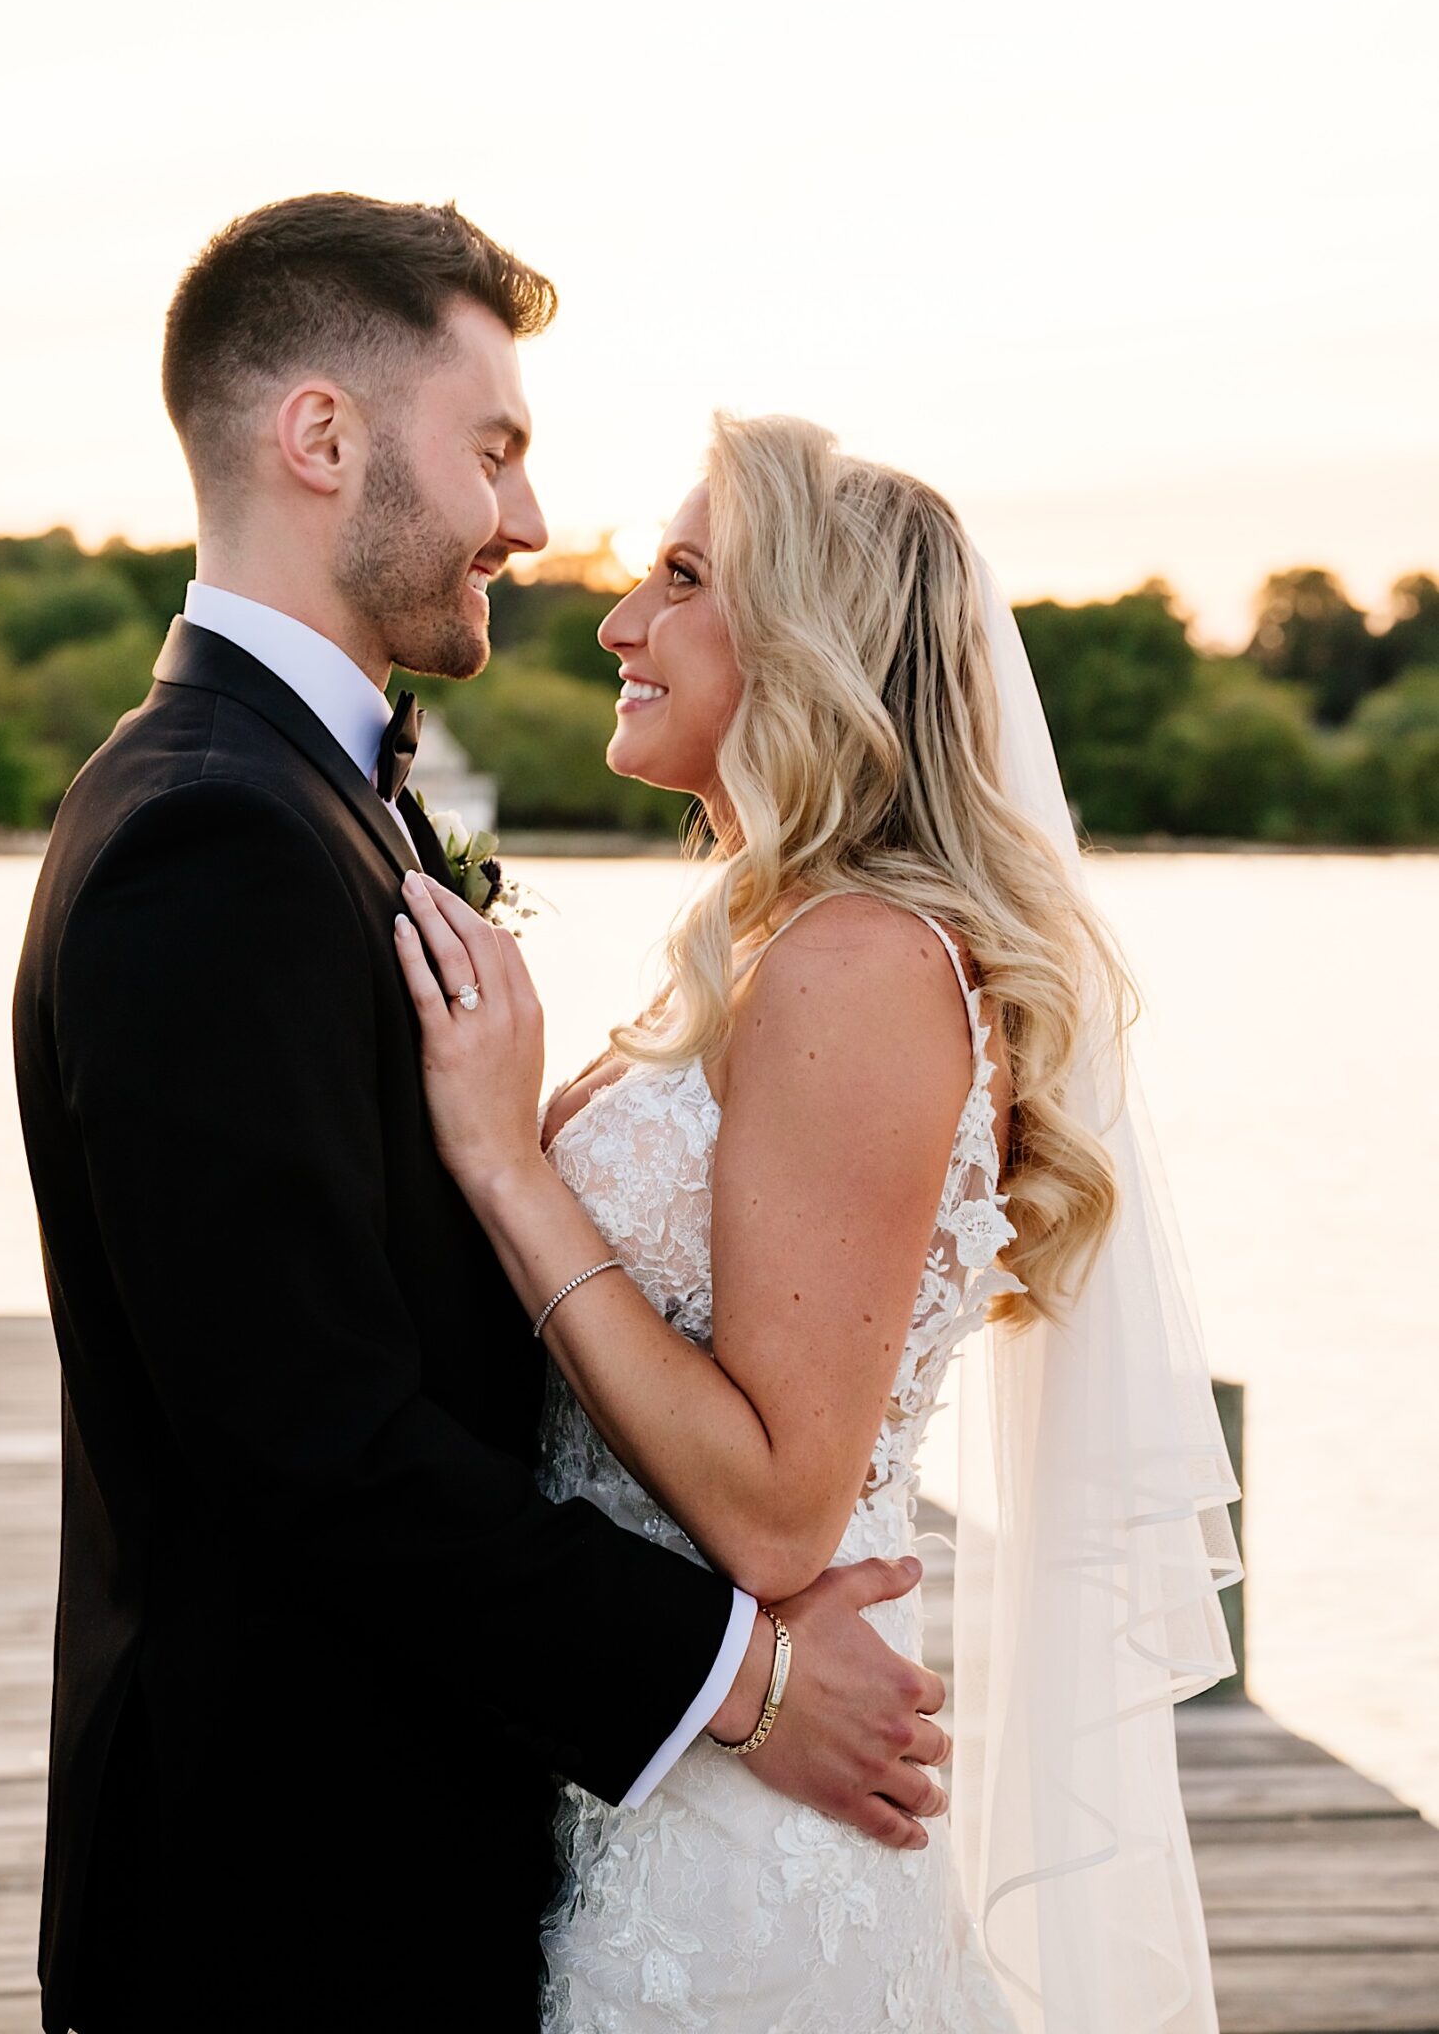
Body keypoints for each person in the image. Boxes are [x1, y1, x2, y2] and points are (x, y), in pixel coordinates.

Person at [12, 199, 953, 2034]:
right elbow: (307, 1442)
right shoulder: (213, 836)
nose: (530, 524)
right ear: (321, 439)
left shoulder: (304, 798)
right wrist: (738, 1678)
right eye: (495, 448)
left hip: (421, 1841)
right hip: (278, 1889)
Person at [394, 412, 1240, 2031]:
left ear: (809, 646)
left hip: (747, 1849)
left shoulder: (854, 964)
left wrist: (506, 1167)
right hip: (672, 1757)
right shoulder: (768, 933)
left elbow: (782, 1511)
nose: (618, 620)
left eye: (682, 578)